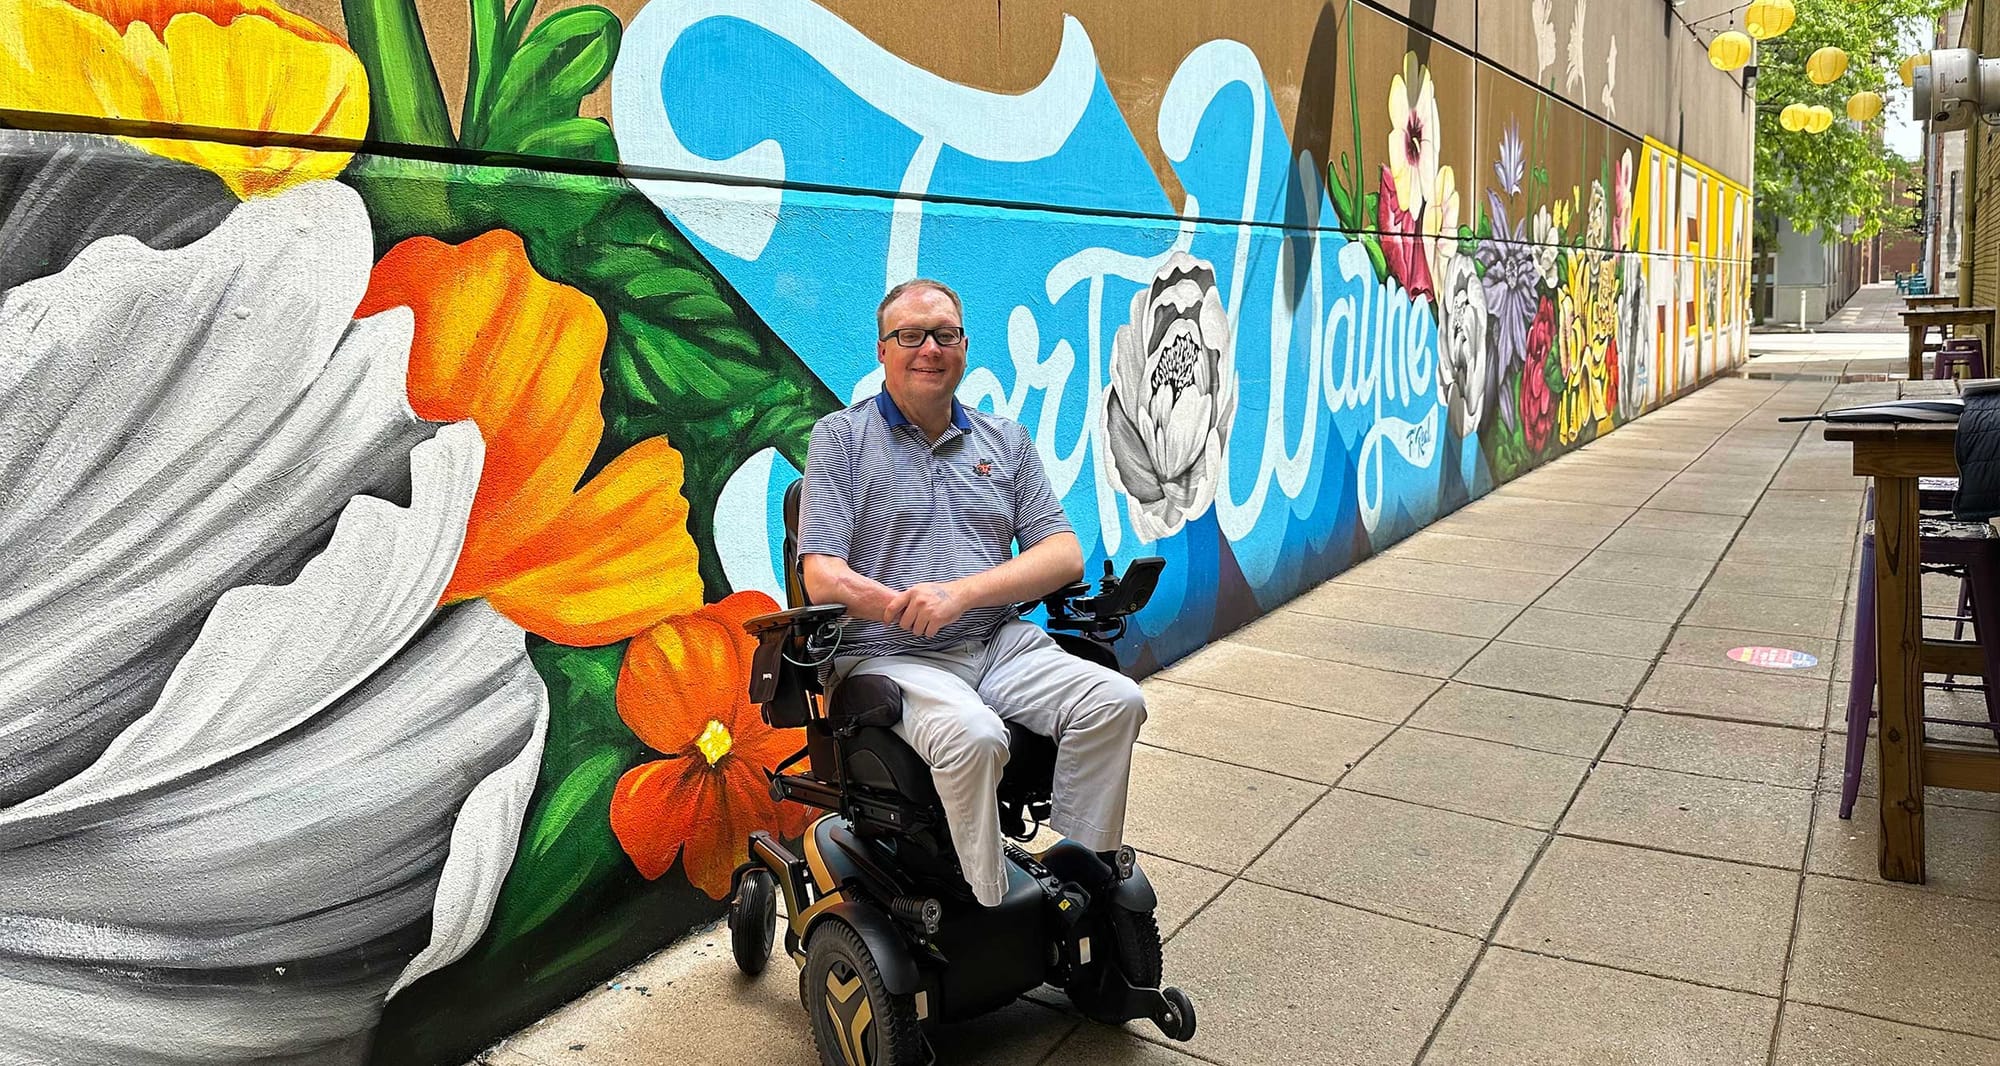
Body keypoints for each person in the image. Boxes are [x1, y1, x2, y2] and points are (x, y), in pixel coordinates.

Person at [795, 278, 1147, 908]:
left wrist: (959, 595)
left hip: (994, 643)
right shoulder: (841, 440)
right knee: (976, 737)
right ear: (883, 350)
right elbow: (822, 575)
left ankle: (1080, 865)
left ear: (963, 346)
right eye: (910, 335)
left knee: (1116, 700)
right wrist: (900, 607)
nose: (929, 348)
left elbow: (1062, 554)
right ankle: (989, 898)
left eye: (944, 334)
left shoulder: (1005, 441)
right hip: (886, 655)